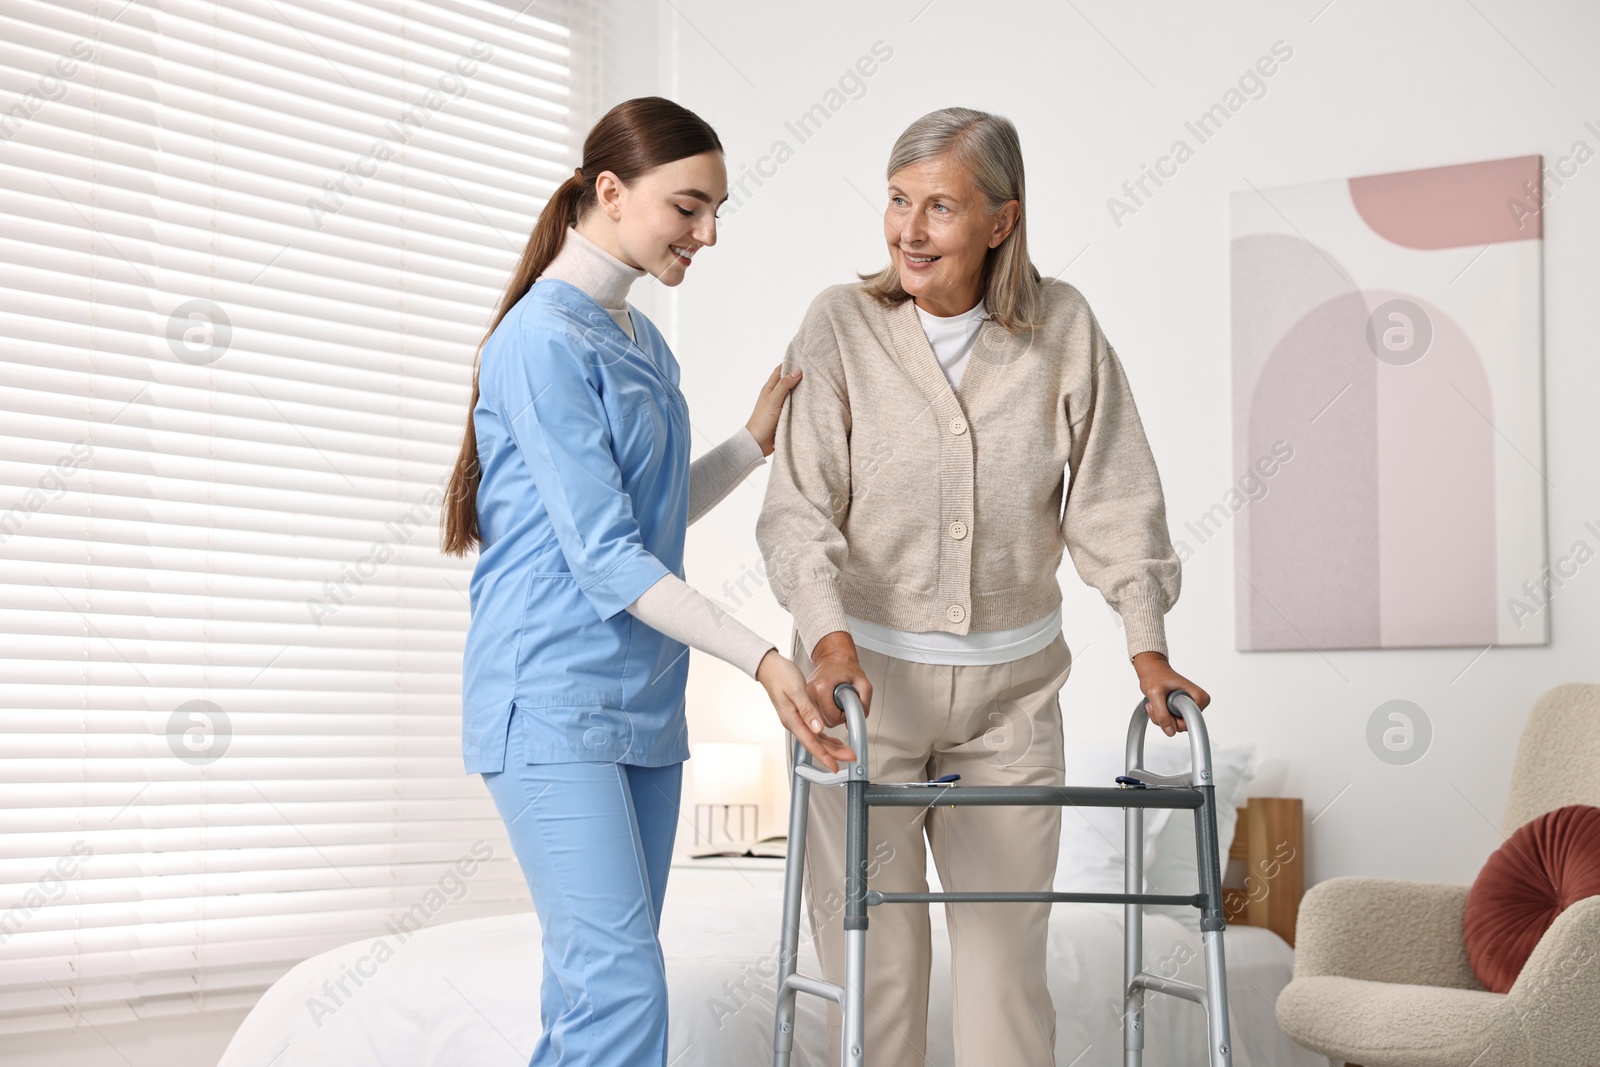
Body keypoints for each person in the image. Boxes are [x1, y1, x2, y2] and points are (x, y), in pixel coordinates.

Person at [756, 106, 1210, 1067]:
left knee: (1006, 977)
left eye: (940, 208)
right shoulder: (842, 323)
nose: (908, 231)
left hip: (1011, 699)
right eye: (896, 200)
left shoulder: (1063, 327)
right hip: (860, 694)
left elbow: (1116, 495)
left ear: (1002, 221)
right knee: (877, 972)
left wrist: (1147, 643)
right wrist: (828, 634)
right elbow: (799, 510)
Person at [441, 96, 853, 1067]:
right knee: (620, 983)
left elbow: (650, 515)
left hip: (641, 706)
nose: (706, 232)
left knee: (596, 987)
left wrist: (752, 442)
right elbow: (606, 556)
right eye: (688, 206)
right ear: (611, 190)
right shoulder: (539, 341)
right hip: (548, 700)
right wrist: (761, 657)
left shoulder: (639, 340)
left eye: (714, 210)